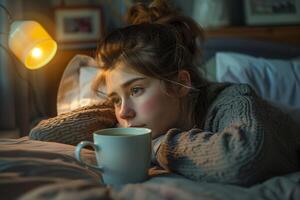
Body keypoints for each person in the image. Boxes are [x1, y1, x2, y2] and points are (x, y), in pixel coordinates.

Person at [30, 0, 300, 186]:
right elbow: (42, 134)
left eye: (136, 89)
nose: (124, 112)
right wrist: (117, 115)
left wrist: (157, 146)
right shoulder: (130, 114)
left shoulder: (232, 100)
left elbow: (242, 159)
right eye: (115, 99)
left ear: (178, 84)